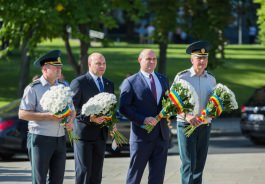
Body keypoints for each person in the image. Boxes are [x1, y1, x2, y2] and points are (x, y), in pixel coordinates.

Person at [18, 50, 76, 184]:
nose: (59, 70)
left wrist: (70, 121)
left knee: (57, 180)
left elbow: (72, 111)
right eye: (55, 67)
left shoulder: (63, 86)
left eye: (60, 67)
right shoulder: (33, 88)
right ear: (45, 68)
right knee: (40, 180)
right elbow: (22, 114)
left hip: (60, 138)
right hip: (40, 138)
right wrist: (48, 116)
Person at [119, 49, 170, 184]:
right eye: (148, 59)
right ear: (140, 60)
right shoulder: (130, 82)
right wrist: (143, 119)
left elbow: (168, 103)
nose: (152, 62)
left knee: (157, 177)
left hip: (161, 135)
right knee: (134, 176)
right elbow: (124, 108)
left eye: (154, 59)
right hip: (141, 138)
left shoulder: (163, 79)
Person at [173, 41, 216, 184]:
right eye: (199, 58)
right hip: (186, 125)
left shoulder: (211, 79)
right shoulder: (182, 77)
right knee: (188, 163)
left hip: (204, 125)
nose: (202, 61)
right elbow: (173, 103)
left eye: (205, 58)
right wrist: (188, 116)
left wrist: (215, 110)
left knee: (199, 164)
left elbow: (214, 104)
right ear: (192, 59)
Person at [70, 52, 114, 184]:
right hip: (84, 135)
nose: (102, 66)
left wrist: (111, 122)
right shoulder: (79, 82)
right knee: (84, 172)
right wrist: (90, 118)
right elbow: (72, 109)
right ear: (89, 64)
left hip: (101, 135)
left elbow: (111, 107)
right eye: (98, 63)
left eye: (104, 63)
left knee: (96, 174)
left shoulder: (108, 83)